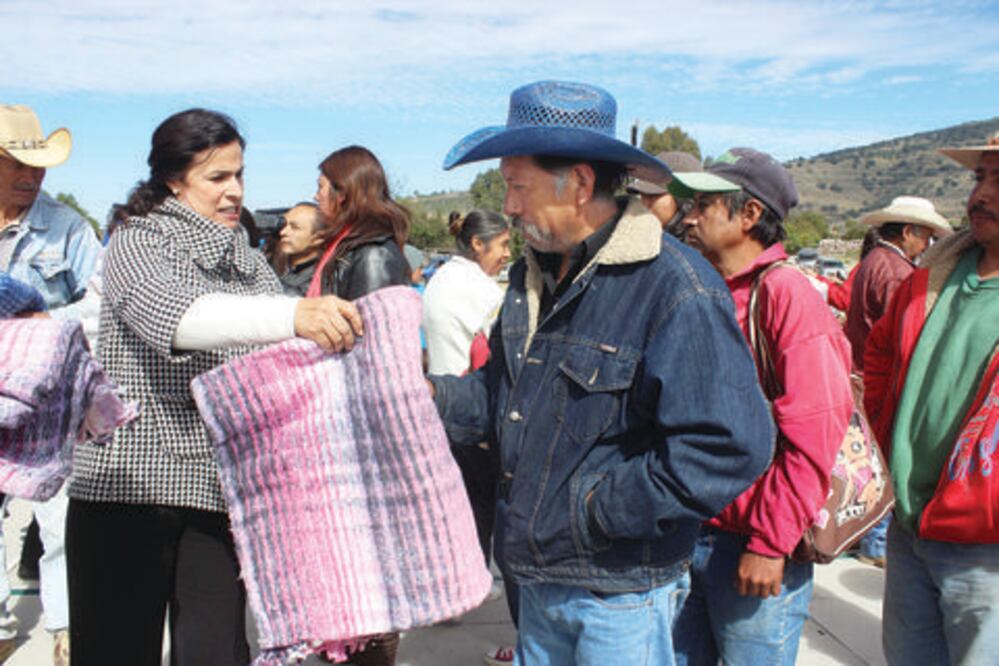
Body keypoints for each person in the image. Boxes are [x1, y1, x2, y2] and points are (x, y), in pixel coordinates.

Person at [429, 80, 774, 665]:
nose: (508, 206)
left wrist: (596, 510)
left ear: (581, 183)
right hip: (537, 582)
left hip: (618, 598)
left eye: (518, 186)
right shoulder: (528, 279)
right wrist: (418, 397)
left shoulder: (674, 288)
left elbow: (730, 444)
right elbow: (498, 398)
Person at [64, 108, 362, 666]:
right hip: (127, 495)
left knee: (217, 653)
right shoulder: (138, 243)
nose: (234, 192)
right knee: (115, 652)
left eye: (240, 175)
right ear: (174, 179)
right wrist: (293, 316)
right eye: (217, 177)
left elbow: (286, 365)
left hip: (219, 496)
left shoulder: (250, 264)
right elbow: (174, 318)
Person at [668, 147, 853, 665]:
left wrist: (770, 544)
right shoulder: (703, 289)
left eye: (706, 202)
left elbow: (816, 431)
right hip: (691, 533)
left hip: (752, 545)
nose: (691, 214)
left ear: (749, 215)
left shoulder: (786, 295)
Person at [864, 133, 999, 666]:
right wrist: (883, 445)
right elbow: (878, 356)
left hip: (987, 549)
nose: (980, 195)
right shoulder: (934, 275)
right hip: (910, 524)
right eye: (979, 179)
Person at [0, 103, 103, 665]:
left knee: (59, 518)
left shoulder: (65, 226)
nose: (30, 177)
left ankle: (66, 626)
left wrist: (46, 327)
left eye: (36, 167)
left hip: (50, 399)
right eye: (15, 164)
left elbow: (103, 296)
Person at [310, 144, 411, 666]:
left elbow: (370, 355)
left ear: (344, 193)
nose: (315, 194)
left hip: (358, 442)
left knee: (365, 582)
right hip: (336, 434)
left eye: (322, 185)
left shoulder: (370, 254)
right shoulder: (346, 247)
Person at [842, 196, 953, 568]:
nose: (928, 245)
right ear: (908, 233)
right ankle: (875, 541)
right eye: (926, 236)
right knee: (883, 462)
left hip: (859, 372)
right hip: (876, 379)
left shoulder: (874, 261)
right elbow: (901, 334)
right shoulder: (896, 272)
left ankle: (861, 535)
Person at [423, 209, 510, 374]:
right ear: (477, 244)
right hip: (468, 392)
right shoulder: (482, 288)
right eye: (503, 245)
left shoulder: (440, 277)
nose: (508, 253)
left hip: (440, 390)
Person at [625, 150, 702, 240]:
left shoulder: (704, 249)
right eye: (642, 195)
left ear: (685, 202)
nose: (644, 204)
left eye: (652, 196)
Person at [274, 202, 325, 296]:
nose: (283, 232)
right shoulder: (270, 263)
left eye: (295, 228)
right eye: (284, 225)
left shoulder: (323, 281)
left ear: (317, 239)